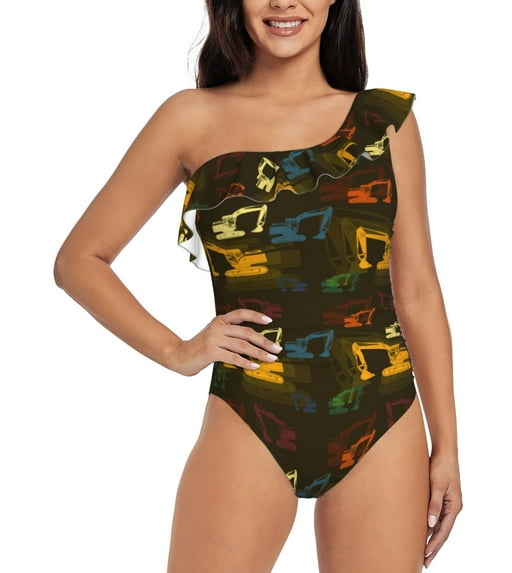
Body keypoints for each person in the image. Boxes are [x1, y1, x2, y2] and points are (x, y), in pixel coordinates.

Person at [54, 0, 462, 570]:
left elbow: (416, 290)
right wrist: (177, 350)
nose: (283, 2)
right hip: (252, 410)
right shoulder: (191, 117)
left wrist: (447, 448)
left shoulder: (384, 122)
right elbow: (79, 260)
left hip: (383, 415)